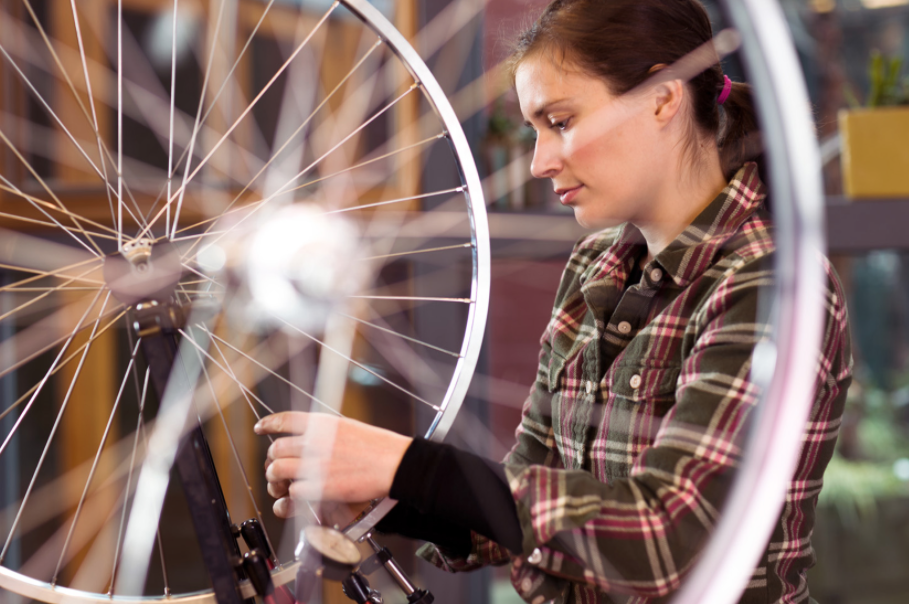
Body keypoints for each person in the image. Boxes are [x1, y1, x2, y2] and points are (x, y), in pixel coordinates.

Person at [254, 1, 853, 602]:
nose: (540, 162)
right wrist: (391, 497)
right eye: (533, 131)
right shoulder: (595, 265)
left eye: (561, 122)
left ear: (664, 100)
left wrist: (414, 467)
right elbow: (528, 504)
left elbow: (667, 538)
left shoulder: (771, 283)